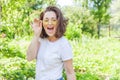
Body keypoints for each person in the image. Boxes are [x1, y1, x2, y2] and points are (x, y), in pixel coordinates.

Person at [27, 6, 76, 80]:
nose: (50, 23)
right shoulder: (40, 39)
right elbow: (29, 58)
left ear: (59, 22)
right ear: (42, 23)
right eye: (46, 20)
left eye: (53, 20)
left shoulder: (63, 44)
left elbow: (70, 73)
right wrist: (36, 34)